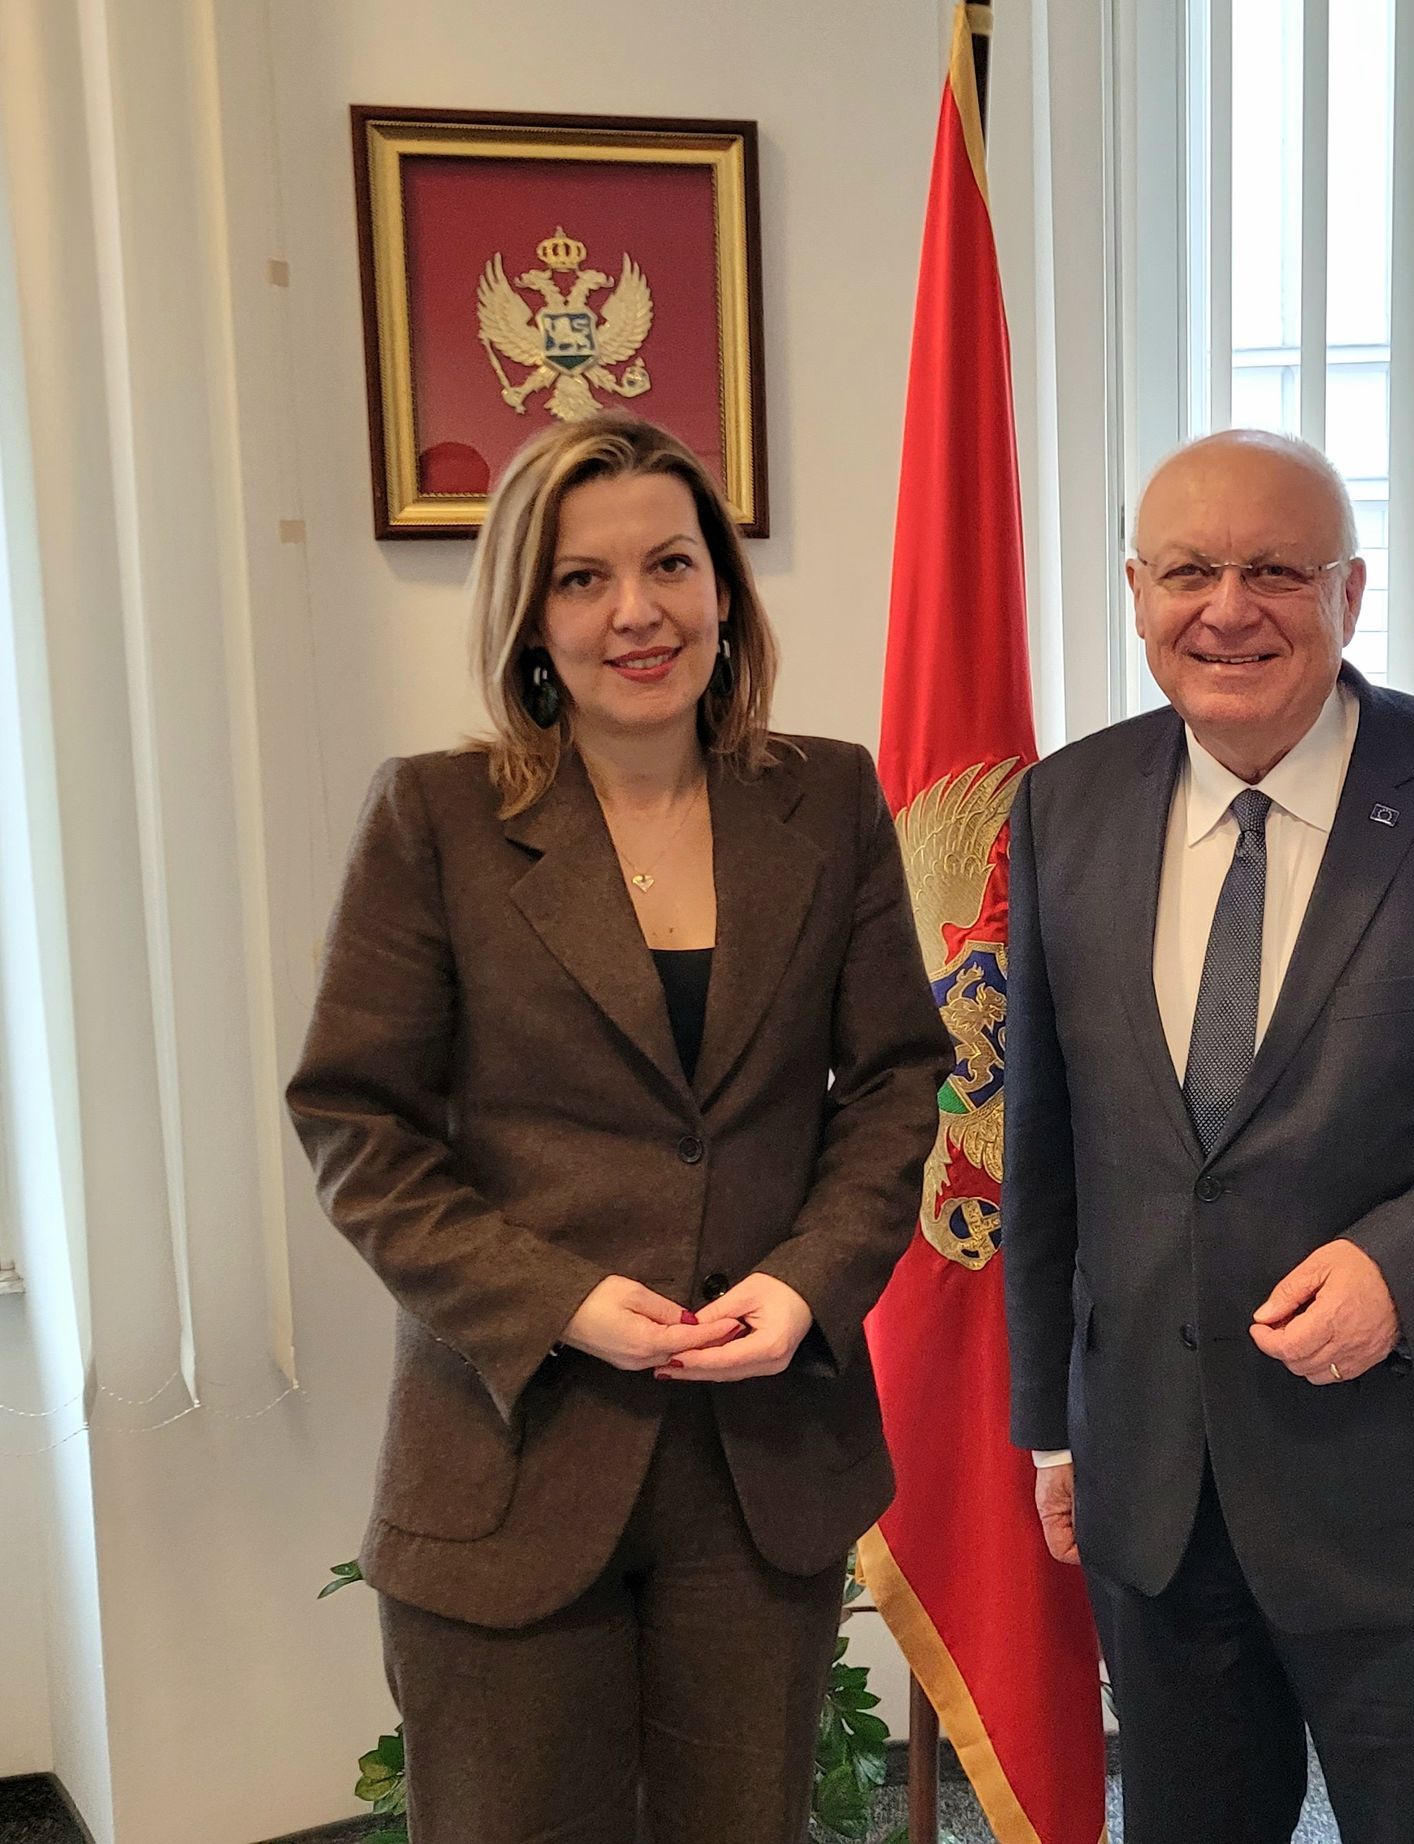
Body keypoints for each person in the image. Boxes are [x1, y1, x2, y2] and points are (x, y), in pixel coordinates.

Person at [287, 414, 950, 1844]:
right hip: (513, 1452)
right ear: (530, 617)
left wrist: (806, 1283)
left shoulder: (826, 796)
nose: (636, 611)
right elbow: (357, 1122)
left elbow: (898, 1079)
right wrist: (560, 1301)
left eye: (670, 564)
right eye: (582, 579)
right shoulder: (436, 817)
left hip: (759, 1455)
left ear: (724, 588)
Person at [1002, 429, 1414, 1844]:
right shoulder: (1063, 807)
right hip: (1157, 1496)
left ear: (1350, 594)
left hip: (1410, 1506)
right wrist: (1049, 1427)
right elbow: (1045, 1140)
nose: (1227, 609)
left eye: (1277, 572)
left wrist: (1404, 1270)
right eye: (1189, 570)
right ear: (1136, 592)